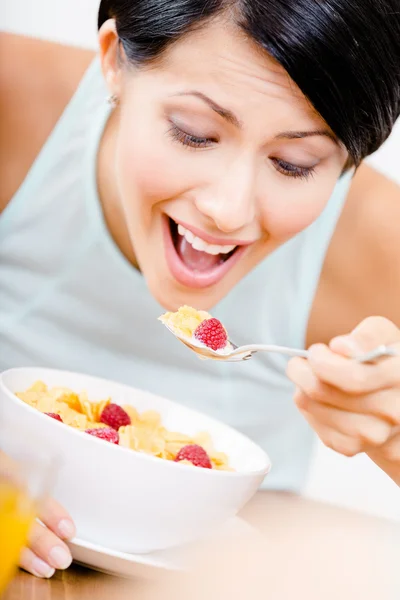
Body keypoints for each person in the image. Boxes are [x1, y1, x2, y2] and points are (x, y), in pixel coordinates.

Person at [1, 0, 399, 580]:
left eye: (293, 163)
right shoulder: (13, 101)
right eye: (194, 134)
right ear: (114, 63)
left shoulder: (376, 243)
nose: (226, 210)